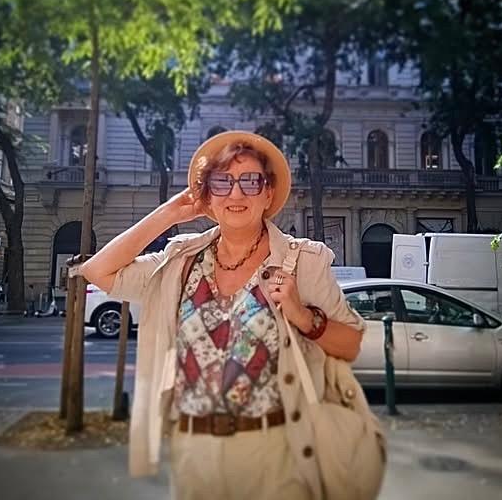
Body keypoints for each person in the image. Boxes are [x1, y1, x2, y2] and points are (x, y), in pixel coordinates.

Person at [81, 131, 366, 500]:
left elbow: (351, 343)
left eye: (250, 181)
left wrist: (300, 315)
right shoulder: (181, 262)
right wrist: (170, 213)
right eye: (222, 182)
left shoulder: (304, 261)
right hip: (194, 453)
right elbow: (98, 271)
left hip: (276, 452)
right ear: (207, 197)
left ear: (268, 194)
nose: (236, 193)